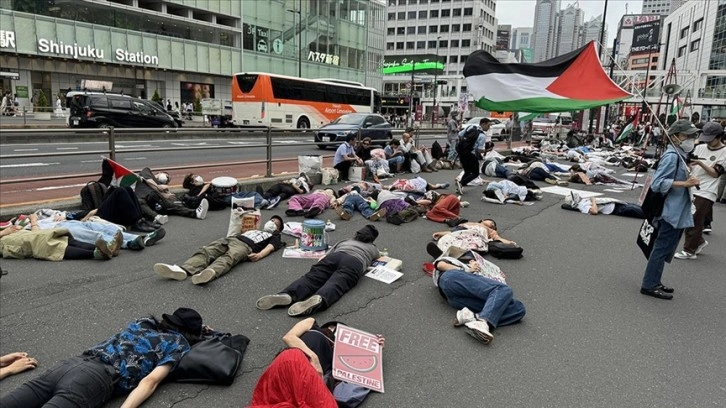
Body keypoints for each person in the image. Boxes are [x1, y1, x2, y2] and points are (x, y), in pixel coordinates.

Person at [0, 307, 204, 408]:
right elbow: (151, 381)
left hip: (69, 365)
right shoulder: (178, 344)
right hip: (95, 380)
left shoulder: (144, 323)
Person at [256, 225, 380, 316]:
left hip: (335, 256)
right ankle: (319, 298)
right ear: (371, 239)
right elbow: (378, 257)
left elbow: (328, 253)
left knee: (311, 278)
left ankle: (288, 294)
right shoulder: (373, 248)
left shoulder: (346, 241)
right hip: (354, 262)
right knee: (337, 284)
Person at [640, 120, 701, 300]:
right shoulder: (672, 156)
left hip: (677, 209)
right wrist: (685, 183)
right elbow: (658, 184)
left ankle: (654, 281)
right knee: (661, 247)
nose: (691, 139)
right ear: (675, 137)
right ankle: (649, 285)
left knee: (665, 248)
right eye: (686, 136)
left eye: (692, 136)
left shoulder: (679, 155)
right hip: (670, 210)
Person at [154, 215, 285, 285]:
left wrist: (260, 255)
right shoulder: (256, 229)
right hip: (232, 239)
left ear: (278, 229)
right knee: (207, 250)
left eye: (276, 223)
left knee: (228, 258)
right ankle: (184, 269)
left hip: (245, 246)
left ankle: (207, 273)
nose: (272, 222)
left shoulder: (274, 236)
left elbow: (271, 247)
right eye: (272, 220)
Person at [432, 256, 526, 344]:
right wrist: (467, 268)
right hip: (451, 279)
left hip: (454, 298)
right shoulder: (451, 258)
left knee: (518, 309)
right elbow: (441, 265)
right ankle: (482, 321)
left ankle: (471, 316)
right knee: (503, 289)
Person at [674, 121, 726, 259]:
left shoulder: (724, 152)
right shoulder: (700, 147)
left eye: (711, 139)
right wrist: (690, 165)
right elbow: (690, 163)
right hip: (691, 185)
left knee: (695, 218)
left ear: (719, 136)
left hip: (708, 190)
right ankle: (699, 242)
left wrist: (701, 163)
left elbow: (715, 173)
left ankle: (689, 250)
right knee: (686, 216)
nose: (708, 142)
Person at [1, 222, 115, 261]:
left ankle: (105, 249)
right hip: (17, 242)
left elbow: (34, 232)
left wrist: (33, 221)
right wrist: (3, 233)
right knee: (56, 247)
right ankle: (97, 254)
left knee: (65, 238)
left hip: (32, 236)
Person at [456, 119, 489, 194]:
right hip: (471, 155)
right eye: (488, 125)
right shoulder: (482, 136)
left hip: (462, 153)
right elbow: (480, 150)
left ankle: (460, 185)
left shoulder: (471, 127)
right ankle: (461, 183)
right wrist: (488, 150)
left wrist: (464, 146)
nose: (489, 127)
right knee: (475, 173)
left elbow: (460, 135)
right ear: (483, 124)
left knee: (467, 171)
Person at [561, 192, 645, 218]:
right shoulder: (582, 206)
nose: (577, 195)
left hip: (617, 204)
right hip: (616, 209)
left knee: (641, 207)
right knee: (640, 211)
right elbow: (594, 211)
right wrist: (593, 200)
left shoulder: (582, 201)